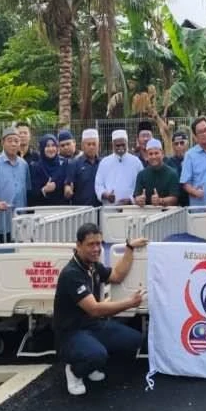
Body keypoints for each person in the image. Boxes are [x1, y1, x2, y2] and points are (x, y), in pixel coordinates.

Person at [54, 223, 147, 396]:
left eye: (99, 243)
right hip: (71, 332)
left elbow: (117, 275)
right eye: (91, 244)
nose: (96, 249)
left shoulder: (93, 265)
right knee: (97, 355)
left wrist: (129, 248)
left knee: (134, 340)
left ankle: (90, 360)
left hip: (92, 326)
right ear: (78, 245)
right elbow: (95, 310)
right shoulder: (71, 273)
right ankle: (75, 370)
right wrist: (130, 302)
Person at [0, 129, 30, 242]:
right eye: (9, 140)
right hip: (2, 220)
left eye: (16, 141)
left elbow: (27, 189)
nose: (13, 144)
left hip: (21, 219)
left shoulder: (24, 164)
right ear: (2, 143)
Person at [95, 129, 143, 206]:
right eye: (118, 145)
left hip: (132, 208)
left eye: (123, 145)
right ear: (112, 145)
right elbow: (98, 185)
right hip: (110, 209)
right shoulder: (104, 162)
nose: (121, 147)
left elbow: (141, 184)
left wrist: (131, 200)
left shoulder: (136, 162)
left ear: (127, 144)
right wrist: (106, 195)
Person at [134, 139, 180, 207]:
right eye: (150, 154)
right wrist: (139, 200)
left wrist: (160, 200)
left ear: (162, 154)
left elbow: (175, 199)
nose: (153, 157)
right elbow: (136, 197)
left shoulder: (172, 174)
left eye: (156, 153)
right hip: (146, 214)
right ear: (147, 156)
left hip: (167, 214)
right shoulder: (141, 175)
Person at [30, 134, 72, 206]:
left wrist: (68, 188)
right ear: (42, 148)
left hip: (62, 210)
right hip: (43, 210)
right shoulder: (35, 167)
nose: (51, 149)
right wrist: (44, 190)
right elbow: (32, 193)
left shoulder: (64, 164)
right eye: (47, 146)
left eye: (53, 145)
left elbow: (68, 182)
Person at [68, 129, 102, 207]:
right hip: (82, 212)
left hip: (101, 211)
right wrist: (68, 190)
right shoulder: (74, 164)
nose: (91, 147)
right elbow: (68, 185)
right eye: (88, 144)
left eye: (94, 144)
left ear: (98, 145)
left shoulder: (103, 164)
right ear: (82, 146)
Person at [165, 130, 190, 207]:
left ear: (187, 144)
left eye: (182, 143)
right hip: (175, 205)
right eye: (176, 144)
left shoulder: (193, 159)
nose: (179, 146)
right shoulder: (168, 163)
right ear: (173, 146)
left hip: (191, 202)